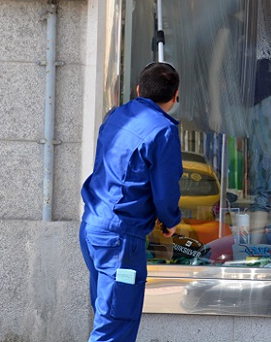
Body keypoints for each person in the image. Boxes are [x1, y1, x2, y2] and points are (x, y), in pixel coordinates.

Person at [79, 62, 182, 342]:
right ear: (175, 97)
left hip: (92, 229)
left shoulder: (117, 116)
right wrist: (171, 221)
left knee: (107, 316)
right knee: (114, 327)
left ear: (138, 90)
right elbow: (165, 189)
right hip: (120, 240)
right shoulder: (163, 131)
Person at [208, 0, 271, 243]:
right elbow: (215, 70)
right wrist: (216, 108)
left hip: (265, 104)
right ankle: (229, 242)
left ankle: (253, 246)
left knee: (263, 173)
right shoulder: (231, 25)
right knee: (232, 174)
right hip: (235, 107)